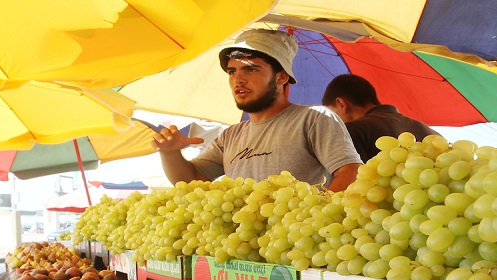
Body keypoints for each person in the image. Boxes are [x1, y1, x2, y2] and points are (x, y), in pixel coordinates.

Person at [152, 29, 363, 192]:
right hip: (243, 236)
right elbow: (190, 182)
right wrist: (169, 153)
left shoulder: (314, 119)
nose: (238, 79)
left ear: (281, 77)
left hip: (297, 236)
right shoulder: (230, 136)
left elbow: (351, 171)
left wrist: (317, 216)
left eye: (251, 69)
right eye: (232, 72)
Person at [321, 74, 441, 162]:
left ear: (341, 103)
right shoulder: (431, 133)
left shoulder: (351, 131)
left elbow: (350, 181)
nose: (332, 121)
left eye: (331, 113)